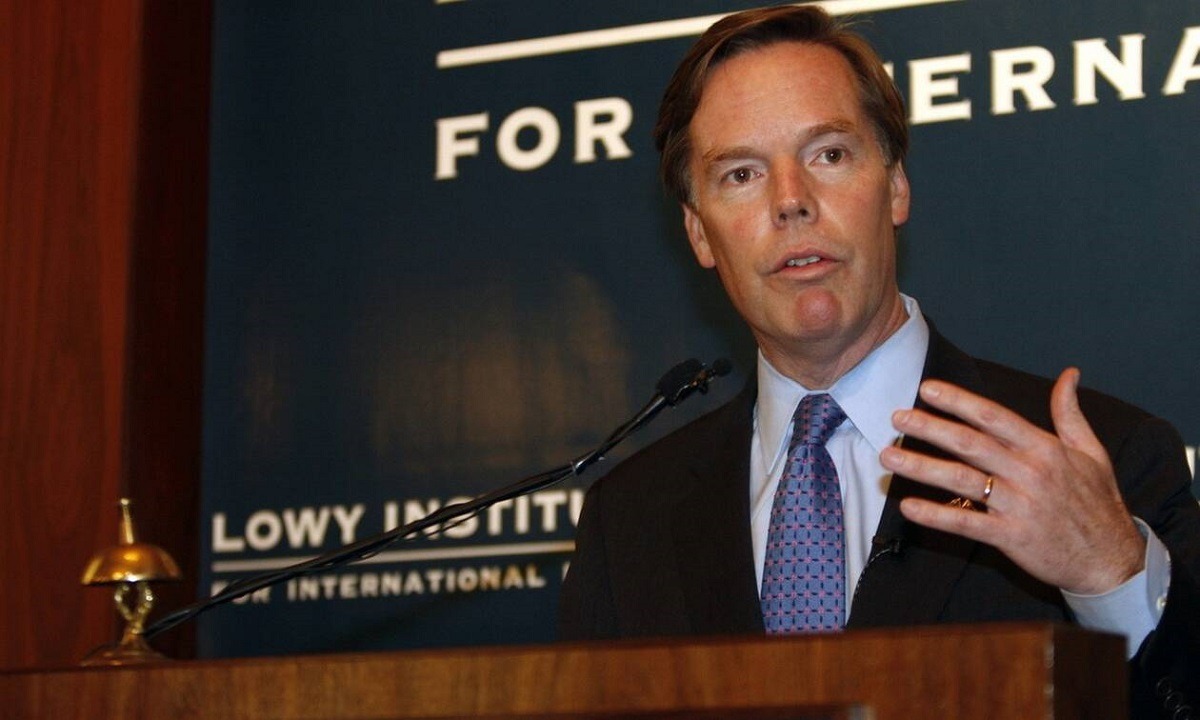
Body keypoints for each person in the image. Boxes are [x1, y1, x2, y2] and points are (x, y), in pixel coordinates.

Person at [557, 6, 1200, 719]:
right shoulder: (630, 521)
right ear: (700, 233)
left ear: (895, 185)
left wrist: (1111, 576)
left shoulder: (1101, 463)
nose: (791, 202)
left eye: (828, 155)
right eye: (741, 173)